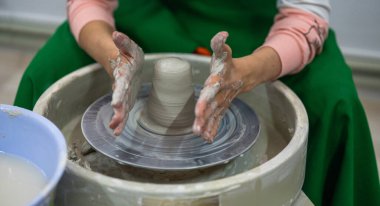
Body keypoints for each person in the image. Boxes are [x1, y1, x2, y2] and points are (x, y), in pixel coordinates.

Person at [14, 0, 379, 205]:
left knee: (333, 96)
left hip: (256, 29)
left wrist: (248, 72)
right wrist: (112, 57)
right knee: (51, 69)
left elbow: (305, 14)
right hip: (152, 13)